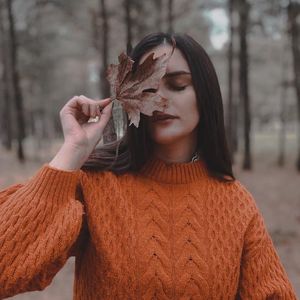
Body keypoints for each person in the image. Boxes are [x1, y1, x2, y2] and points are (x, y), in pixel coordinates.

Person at [0, 33, 297, 299]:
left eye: (178, 85)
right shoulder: (95, 185)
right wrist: (72, 151)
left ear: (205, 96)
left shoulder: (235, 203)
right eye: (146, 89)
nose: (160, 99)